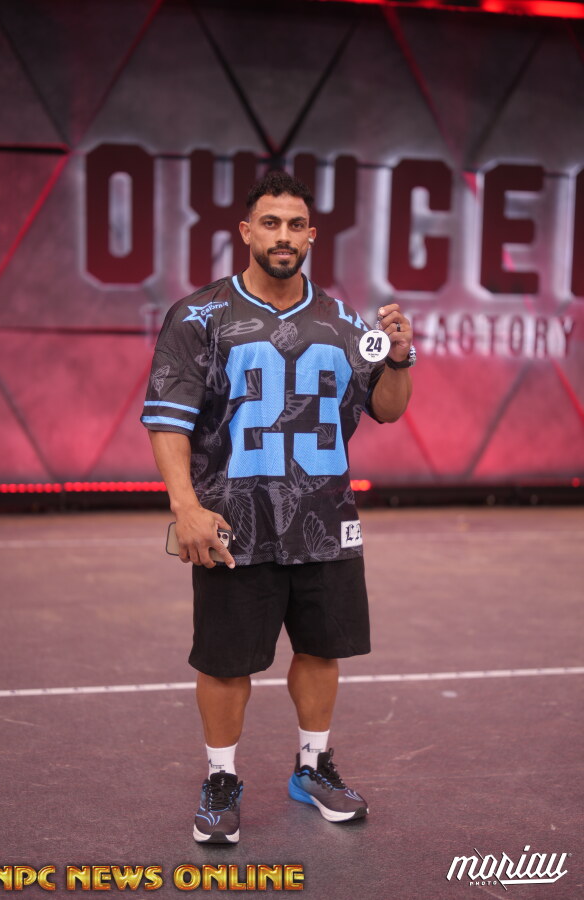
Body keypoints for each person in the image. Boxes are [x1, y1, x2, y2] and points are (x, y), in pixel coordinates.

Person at [141, 170, 414, 843]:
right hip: (235, 523)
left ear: (312, 235)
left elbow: (386, 409)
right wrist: (185, 508)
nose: (283, 236)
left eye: (295, 225)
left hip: (325, 521)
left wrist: (400, 360)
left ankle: (312, 767)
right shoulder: (198, 316)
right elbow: (168, 421)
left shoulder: (343, 321)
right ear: (246, 231)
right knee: (225, 660)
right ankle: (221, 779)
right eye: (270, 223)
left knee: (322, 650)